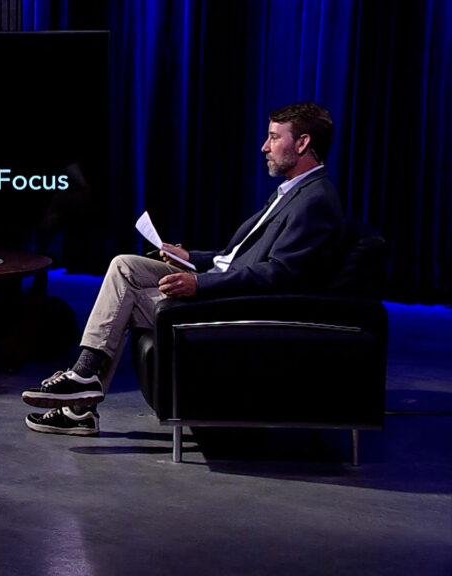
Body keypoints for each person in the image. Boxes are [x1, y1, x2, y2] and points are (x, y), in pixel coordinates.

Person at [22, 102, 345, 436]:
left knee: (127, 297)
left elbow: (282, 274)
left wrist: (199, 284)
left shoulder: (315, 200)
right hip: (221, 281)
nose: (265, 147)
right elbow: (235, 256)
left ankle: (80, 402)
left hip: (230, 300)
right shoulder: (295, 191)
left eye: (274, 138)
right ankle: (84, 380)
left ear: (303, 143)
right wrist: (190, 257)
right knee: (125, 265)